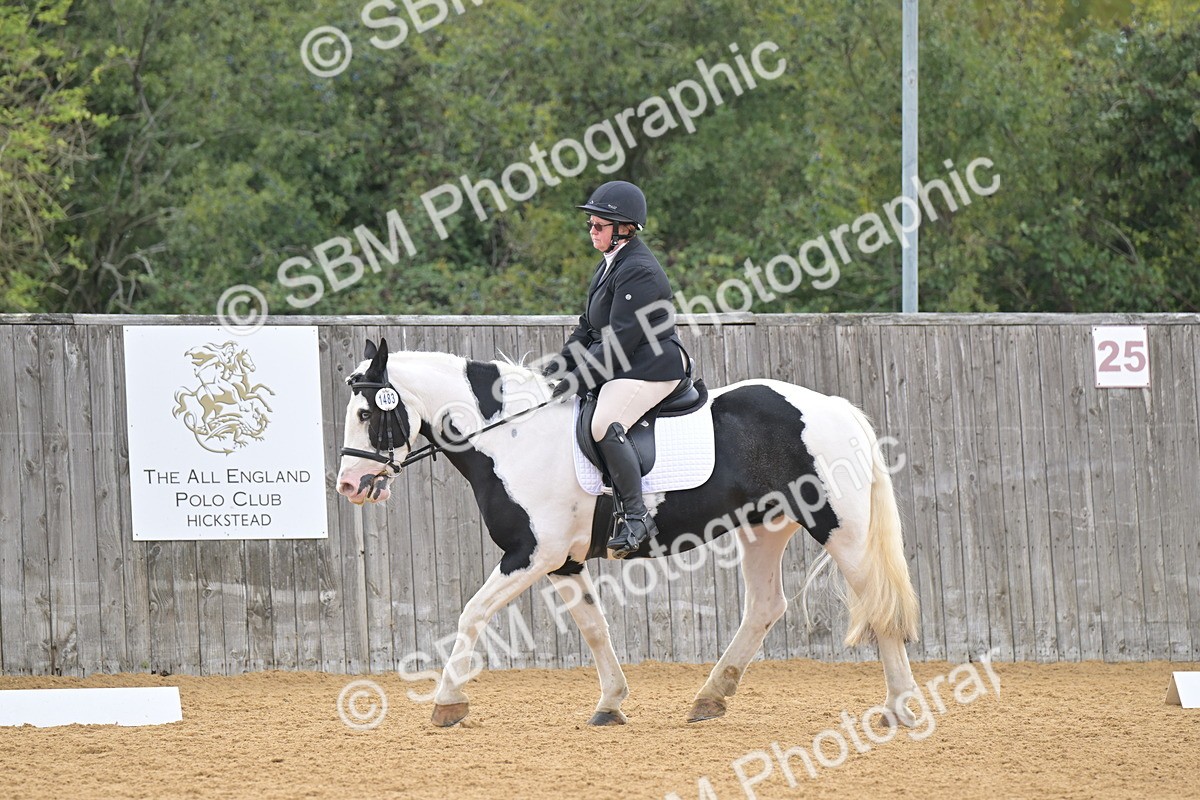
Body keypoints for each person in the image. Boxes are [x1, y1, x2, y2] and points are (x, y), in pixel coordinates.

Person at [546, 180, 688, 558]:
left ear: (624, 228)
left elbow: (621, 340)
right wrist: (556, 369)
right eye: (590, 225)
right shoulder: (610, 264)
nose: (592, 231)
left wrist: (579, 379)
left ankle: (637, 516)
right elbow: (588, 327)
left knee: (603, 424)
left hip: (650, 367)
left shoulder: (638, 269)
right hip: (625, 365)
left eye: (599, 225)